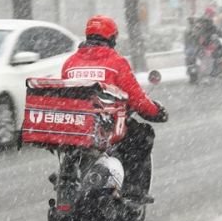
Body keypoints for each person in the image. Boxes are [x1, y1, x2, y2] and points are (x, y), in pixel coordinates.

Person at [62, 15, 167, 199]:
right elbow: (137, 99)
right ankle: (134, 189)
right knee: (143, 135)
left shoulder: (70, 63)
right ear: (111, 39)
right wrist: (156, 112)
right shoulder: (116, 63)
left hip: (76, 126)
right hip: (107, 126)